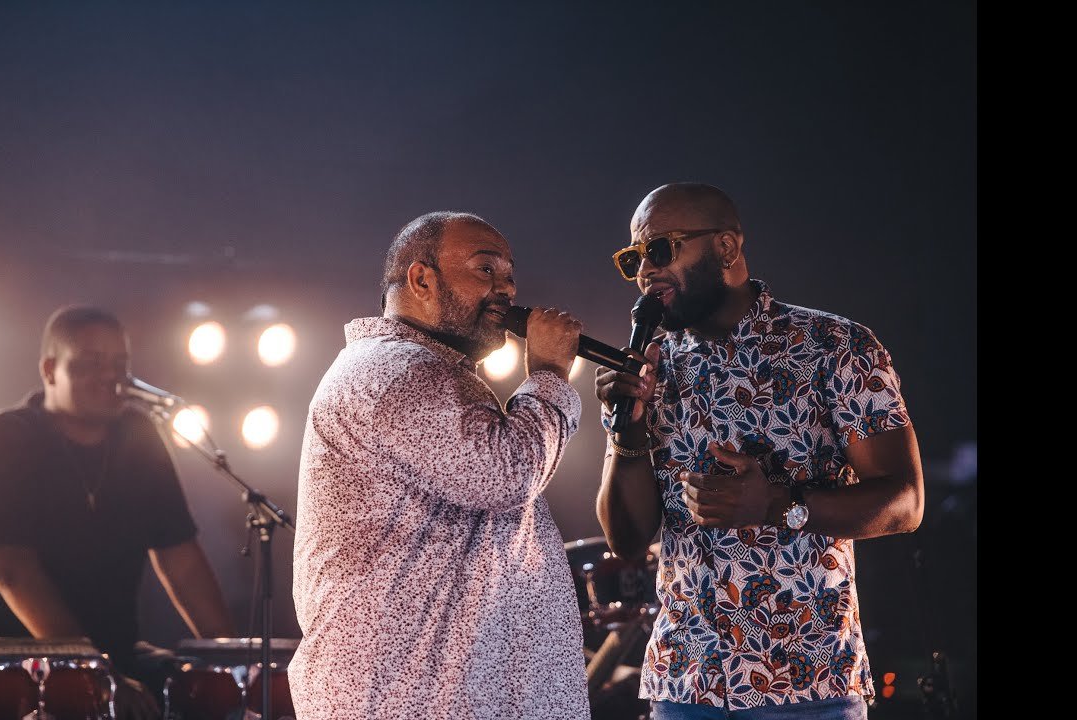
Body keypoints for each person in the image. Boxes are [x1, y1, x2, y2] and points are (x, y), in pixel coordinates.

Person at [594, 183, 924, 720]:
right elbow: (627, 540)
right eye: (633, 259)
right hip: (685, 685)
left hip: (807, 685)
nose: (645, 271)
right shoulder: (652, 367)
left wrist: (776, 504)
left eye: (660, 249)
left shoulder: (835, 346)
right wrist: (626, 435)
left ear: (726, 247)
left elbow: (906, 502)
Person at [288, 212, 591, 719]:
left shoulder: (424, 372)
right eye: (485, 269)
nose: (506, 289)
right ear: (421, 279)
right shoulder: (395, 370)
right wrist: (550, 374)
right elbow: (503, 475)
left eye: (510, 275)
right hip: (410, 699)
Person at [0, 305, 236, 719]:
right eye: (92, 363)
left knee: (190, 689)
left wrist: (234, 670)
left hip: (111, 654)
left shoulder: (138, 436)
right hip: (3, 662)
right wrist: (92, 673)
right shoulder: (5, 436)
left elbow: (181, 561)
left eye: (120, 363)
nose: (111, 376)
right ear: (50, 370)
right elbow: (10, 570)